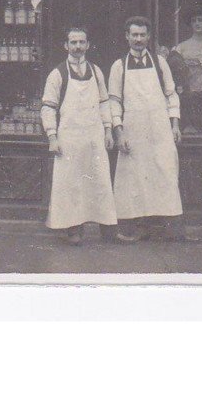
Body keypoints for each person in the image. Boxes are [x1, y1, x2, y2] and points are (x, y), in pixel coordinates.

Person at [108, 16, 191, 242]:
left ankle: (167, 229)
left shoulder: (160, 63)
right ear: (127, 37)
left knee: (164, 173)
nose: (138, 39)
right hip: (133, 131)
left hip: (159, 129)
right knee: (134, 179)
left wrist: (175, 124)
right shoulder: (119, 66)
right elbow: (114, 102)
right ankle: (138, 227)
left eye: (142, 35)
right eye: (134, 35)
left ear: (148, 37)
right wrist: (119, 132)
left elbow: (171, 95)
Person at [40, 26, 118, 245]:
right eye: (73, 42)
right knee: (71, 184)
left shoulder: (96, 71)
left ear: (88, 45)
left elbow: (104, 102)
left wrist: (108, 129)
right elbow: (48, 107)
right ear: (66, 46)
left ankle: (108, 229)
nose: (77, 46)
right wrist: (52, 137)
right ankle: (74, 230)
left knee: (100, 182)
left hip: (94, 137)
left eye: (81, 42)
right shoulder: (57, 74)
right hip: (69, 139)